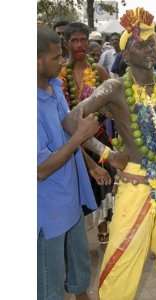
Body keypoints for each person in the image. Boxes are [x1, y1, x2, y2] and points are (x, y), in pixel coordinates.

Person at [62, 7, 156, 300]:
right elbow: (71, 120)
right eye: (139, 44)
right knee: (124, 252)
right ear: (126, 52)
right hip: (136, 182)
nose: (148, 49)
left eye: (151, 43)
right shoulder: (114, 87)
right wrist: (107, 155)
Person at [37, 26, 100, 300]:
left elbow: (67, 129)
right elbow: (40, 170)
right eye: (55, 57)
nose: (62, 62)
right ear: (36, 60)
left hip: (70, 197)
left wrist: (94, 163)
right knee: (49, 282)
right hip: (47, 209)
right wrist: (80, 137)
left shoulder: (54, 88)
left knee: (79, 267)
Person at [59, 22, 115, 245]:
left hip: (98, 136)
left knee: (102, 185)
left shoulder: (99, 71)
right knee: (78, 187)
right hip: (72, 141)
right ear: (67, 43)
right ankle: (77, 233)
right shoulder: (61, 75)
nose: (80, 44)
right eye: (74, 40)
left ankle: (103, 226)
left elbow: (113, 100)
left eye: (83, 39)